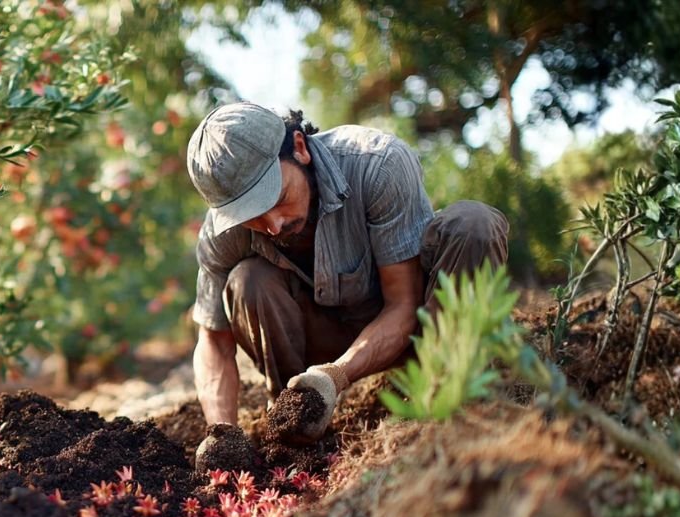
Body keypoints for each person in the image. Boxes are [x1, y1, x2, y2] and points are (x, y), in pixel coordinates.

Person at [186, 102, 508, 472]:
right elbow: (212, 342)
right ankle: (296, 417)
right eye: (252, 217)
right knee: (248, 280)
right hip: (316, 342)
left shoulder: (378, 164)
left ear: (300, 148)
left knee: (474, 224)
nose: (273, 225)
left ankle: (444, 390)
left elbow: (402, 306)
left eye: (275, 198)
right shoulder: (222, 233)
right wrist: (222, 432)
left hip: (412, 328)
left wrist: (335, 376)